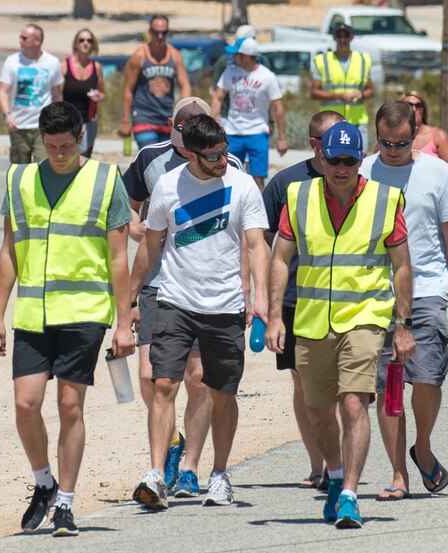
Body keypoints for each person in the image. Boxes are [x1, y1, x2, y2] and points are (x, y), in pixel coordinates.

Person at [0, 100, 134, 538]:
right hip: (33, 312)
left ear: (81, 138)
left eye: (66, 146)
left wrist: (123, 322)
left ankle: (67, 503)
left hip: (85, 313)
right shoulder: (19, 179)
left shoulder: (106, 180)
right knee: (24, 404)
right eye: (50, 146)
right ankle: (44, 483)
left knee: (70, 406)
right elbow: (9, 252)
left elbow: (118, 258)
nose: (57, 154)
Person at [266, 121, 413, 531]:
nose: (342, 168)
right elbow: (280, 259)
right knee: (317, 412)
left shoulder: (385, 200)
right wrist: (275, 315)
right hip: (312, 322)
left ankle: (349, 493)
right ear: (321, 157)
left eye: (350, 160)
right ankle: (333, 473)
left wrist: (402, 324)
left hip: (365, 319)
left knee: (353, 402)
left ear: (361, 160)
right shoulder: (298, 196)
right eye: (335, 160)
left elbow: (402, 267)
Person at [127, 113, 268, 511]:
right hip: (175, 301)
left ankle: (219, 474)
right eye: (212, 156)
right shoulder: (168, 187)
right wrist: (130, 297)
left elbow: (257, 244)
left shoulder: (241, 185)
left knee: (221, 392)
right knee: (164, 385)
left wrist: (261, 299)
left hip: (224, 305)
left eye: (224, 152)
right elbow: (151, 246)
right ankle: (157, 474)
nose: (222, 161)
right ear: (190, 153)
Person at [363, 101, 448, 500]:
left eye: (401, 143)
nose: (392, 151)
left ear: (416, 134)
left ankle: (421, 445)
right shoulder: (362, 172)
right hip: (376, 293)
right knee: (389, 385)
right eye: (385, 143)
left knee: (427, 378)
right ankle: (398, 474)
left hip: (427, 289)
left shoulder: (438, 173)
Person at [121, 98, 225, 500]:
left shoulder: (224, 165)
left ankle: (188, 468)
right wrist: (136, 228)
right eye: (182, 134)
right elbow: (123, 204)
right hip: (156, 283)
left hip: (203, 288)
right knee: (152, 379)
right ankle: (173, 437)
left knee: (197, 380)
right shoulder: (151, 159)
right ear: (172, 128)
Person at [262, 111, 343, 487]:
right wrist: (266, 302)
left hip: (346, 300)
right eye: (331, 143)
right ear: (314, 145)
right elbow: (263, 244)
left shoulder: (355, 179)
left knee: (345, 387)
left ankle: (339, 463)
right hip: (297, 301)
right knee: (304, 384)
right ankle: (318, 464)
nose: (342, 154)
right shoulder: (285, 184)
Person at [213, 37, 285, 186]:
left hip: (258, 132)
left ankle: (260, 209)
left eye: (235, 54)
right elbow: (218, 97)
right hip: (233, 132)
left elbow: (277, 106)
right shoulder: (230, 72)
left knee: (257, 178)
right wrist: (215, 125)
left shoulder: (267, 76)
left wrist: (282, 138)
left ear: (245, 57)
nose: (231, 57)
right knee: (227, 175)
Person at [120, 15, 191, 150]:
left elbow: (185, 85)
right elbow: (128, 90)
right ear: (150, 32)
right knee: (151, 155)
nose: (159, 36)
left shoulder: (175, 56)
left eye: (163, 33)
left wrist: (183, 114)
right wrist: (125, 121)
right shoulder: (139, 56)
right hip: (143, 117)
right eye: (156, 32)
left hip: (167, 118)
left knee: (166, 161)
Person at [0, 23, 63, 165]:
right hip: (18, 126)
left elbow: (57, 94)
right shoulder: (12, 61)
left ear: (37, 41)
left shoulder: (52, 62)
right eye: (20, 37)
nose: (20, 41)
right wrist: (7, 114)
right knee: (20, 168)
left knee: (43, 165)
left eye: (24, 38)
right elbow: (3, 91)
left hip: (43, 126)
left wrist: (57, 119)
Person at [309, 23, 375, 130]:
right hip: (331, 122)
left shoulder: (362, 60)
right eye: (339, 36)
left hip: (357, 122)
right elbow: (314, 93)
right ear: (334, 38)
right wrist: (337, 96)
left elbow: (371, 90)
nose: (342, 39)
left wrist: (361, 94)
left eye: (346, 35)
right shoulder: (323, 61)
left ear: (351, 37)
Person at [61, 28, 104, 157]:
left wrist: (97, 96)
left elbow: (102, 93)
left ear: (93, 44)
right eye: (81, 40)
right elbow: (58, 95)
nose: (85, 43)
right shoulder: (64, 65)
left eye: (89, 40)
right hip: (67, 121)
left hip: (88, 121)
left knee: (84, 159)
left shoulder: (96, 67)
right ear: (75, 44)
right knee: (67, 157)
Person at [397, 91, 448, 168]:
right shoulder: (390, 137)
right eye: (409, 105)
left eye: (418, 105)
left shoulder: (439, 136)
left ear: (423, 111)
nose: (414, 109)